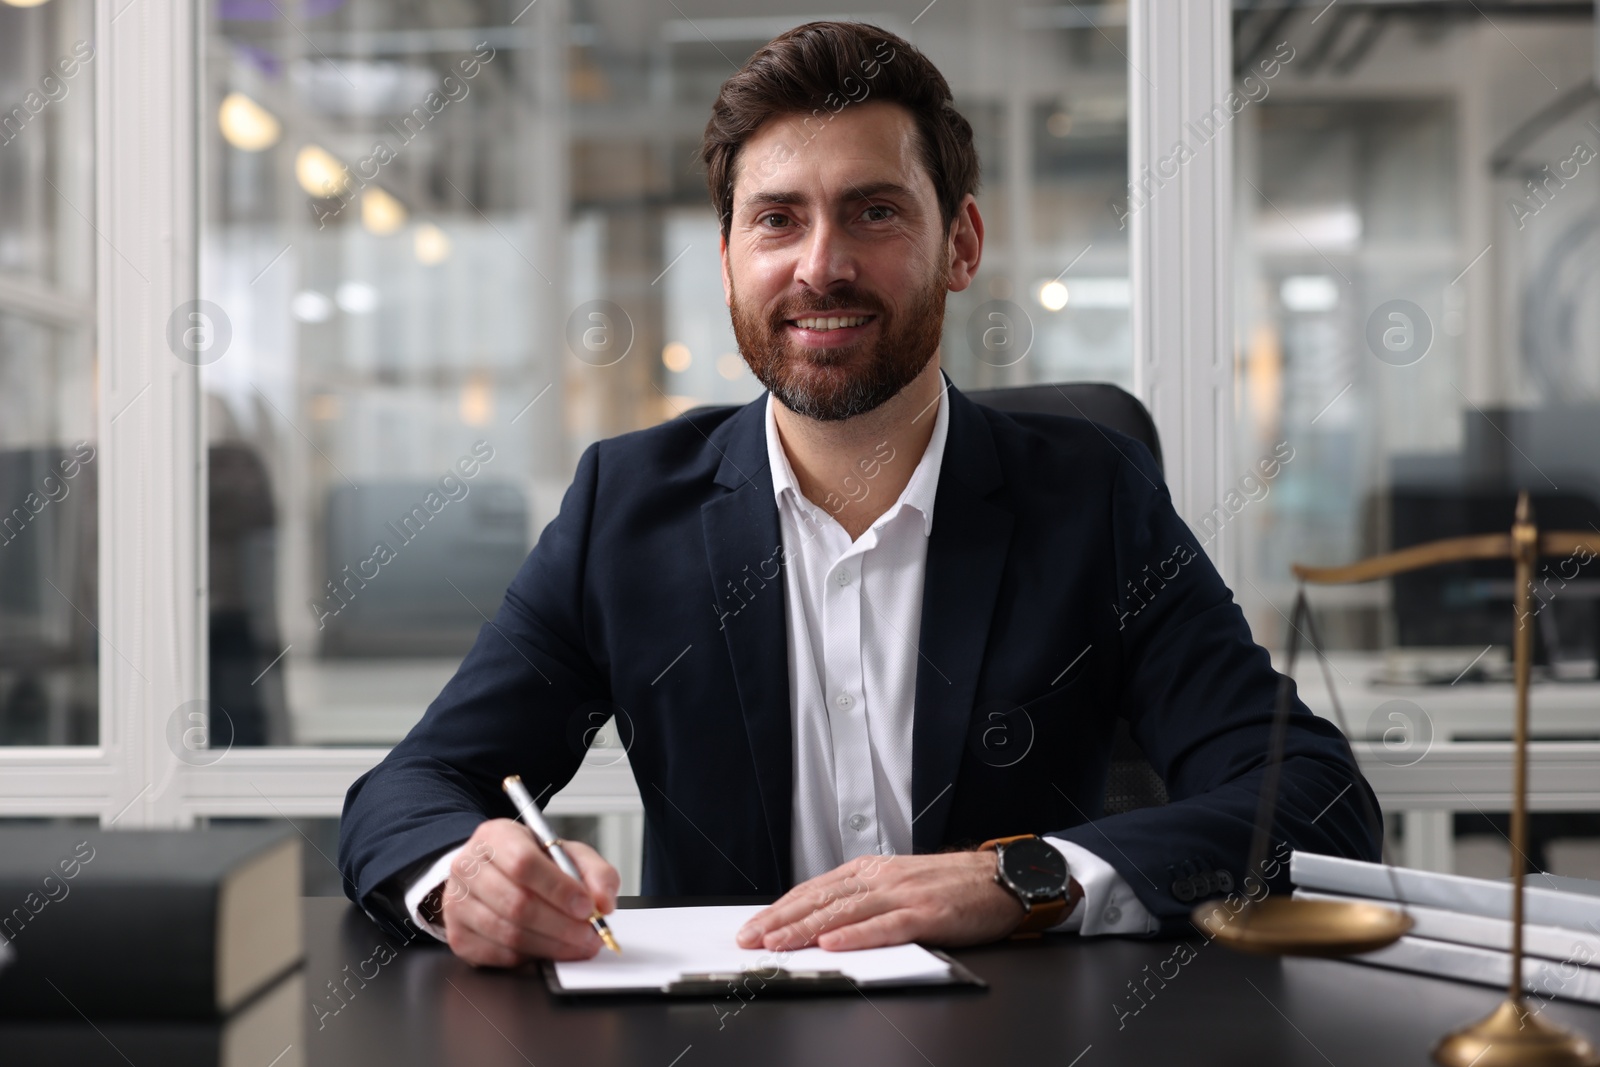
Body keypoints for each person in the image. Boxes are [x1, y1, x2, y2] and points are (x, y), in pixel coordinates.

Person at [337, 19, 1378, 968]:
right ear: (728, 260)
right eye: (777, 220)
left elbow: (1312, 799)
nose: (820, 265)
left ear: (960, 242)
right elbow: (408, 791)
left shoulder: (1088, 497)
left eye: (873, 212)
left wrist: (1017, 878)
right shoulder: (628, 506)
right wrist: (460, 878)